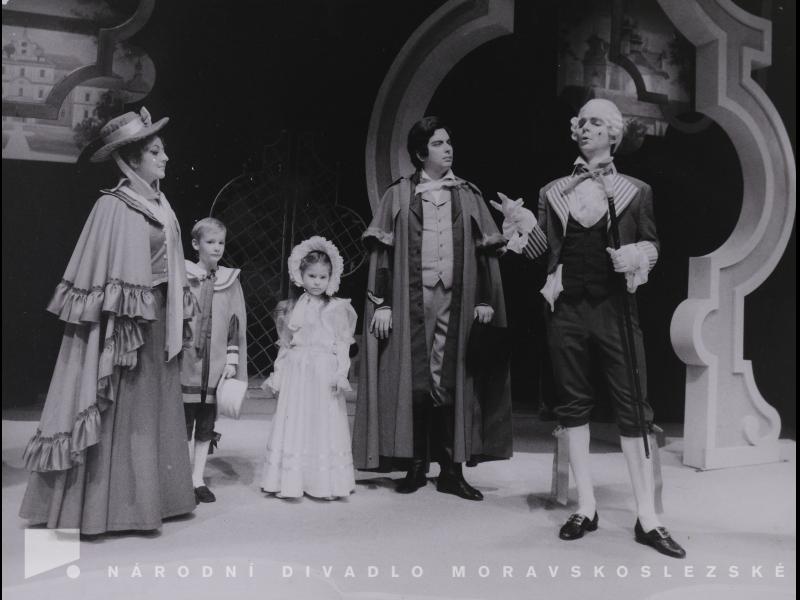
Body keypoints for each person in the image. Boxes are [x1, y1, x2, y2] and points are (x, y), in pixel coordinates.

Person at [493, 98, 686, 558]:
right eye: (581, 122)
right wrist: (520, 225)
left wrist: (635, 255)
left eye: (596, 123)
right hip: (567, 308)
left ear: (614, 134)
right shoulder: (553, 191)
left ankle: (648, 516)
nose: (585, 128)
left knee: (632, 406)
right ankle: (586, 506)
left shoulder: (635, 190)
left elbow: (653, 244)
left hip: (615, 308)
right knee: (573, 406)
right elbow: (541, 250)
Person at [19, 107, 197, 535]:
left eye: (163, 150)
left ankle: (154, 502)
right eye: (155, 152)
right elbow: (101, 276)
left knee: (152, 410)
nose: (165, 158)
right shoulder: (113, 206)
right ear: (131, 159)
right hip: (125, 328)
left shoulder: (161, 204)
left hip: (159, 320)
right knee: (125, 410)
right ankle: (108, 508)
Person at [352, 116, 513, 501]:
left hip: (457, 302)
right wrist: (383, 303)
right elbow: (382, 253)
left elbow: (486, 252)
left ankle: (452, 471)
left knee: (452, 380)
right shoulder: (399, 194)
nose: (448, 148)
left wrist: (485, 299)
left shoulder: (468, 193)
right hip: (411, 301)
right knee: (415, 380)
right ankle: (416, 465)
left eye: (449, 142)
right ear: (421, 152)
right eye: (439, 143)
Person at [261, 236, 357, 499]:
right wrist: (278, 374)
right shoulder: (292, 308)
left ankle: (323, 481)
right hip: (298, 371)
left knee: (321, 421)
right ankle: (291, 479)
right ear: (300, 275)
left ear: (331, 278)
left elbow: (342, 344)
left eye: (322, 277)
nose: (317, 282)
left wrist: (341, 372)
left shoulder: (337, 308)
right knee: (296, 420)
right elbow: (285, 345)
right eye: (312, 276)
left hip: (323, 370)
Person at [181, 217, 248, 504]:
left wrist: (231, 360)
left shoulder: (229, 280)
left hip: (215, 366)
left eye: (221, 242)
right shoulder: (184, 275)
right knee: (184, 423)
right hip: (187, 363)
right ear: (196, 244)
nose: (217, 247)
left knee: (206, 425)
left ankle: (198, 479)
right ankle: (182, 479)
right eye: (210, 242)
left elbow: (235, 322)